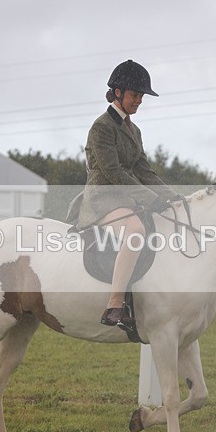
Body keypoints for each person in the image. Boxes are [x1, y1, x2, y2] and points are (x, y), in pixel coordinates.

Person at [76, 59, 180, 329]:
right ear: (119, 92)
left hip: (127, 200)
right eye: (136, 95)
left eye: (141, 96)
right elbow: (114, 173)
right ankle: (114, 305)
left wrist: (173, 197)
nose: (140, 101)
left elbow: (144, 170)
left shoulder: (134, 130)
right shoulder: (101, 127)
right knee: (135, 231)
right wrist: (152, 199)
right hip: (102, 201)